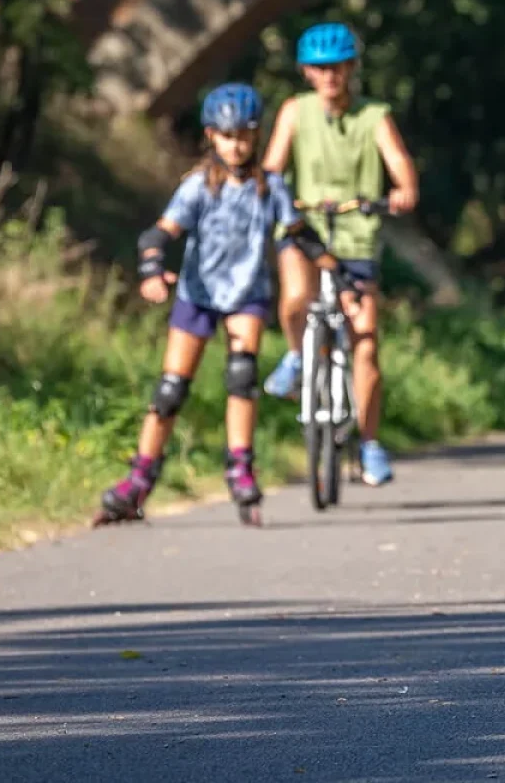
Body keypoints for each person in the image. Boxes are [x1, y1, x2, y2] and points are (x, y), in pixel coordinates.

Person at [97, 84, 359, 526]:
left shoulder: (270, 187)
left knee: (242, 377)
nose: (236, 145)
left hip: (246, 297)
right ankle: (140, 478)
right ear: (211, 136)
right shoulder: (198, 186)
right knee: (170, 389)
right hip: (197, 295)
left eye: (244, 135)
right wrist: (151, 270)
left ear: (255, 136)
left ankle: (240, 468)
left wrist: (340, 275)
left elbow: (301, 236)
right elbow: (159, 235)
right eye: (227, 135)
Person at [260, 22, 419, 487]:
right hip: (304, 227)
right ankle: (295, 357)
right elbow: (272, 166)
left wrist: (404, 188)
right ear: (307, 72)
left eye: (338, 67)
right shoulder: (295, 111)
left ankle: (369, 444)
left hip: (356, 234)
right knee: (294, 296)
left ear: (351, 69)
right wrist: (271, 192)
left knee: (365, 340)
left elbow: (398, 160)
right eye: (321, 68)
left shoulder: (374, 115)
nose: (330, 77)